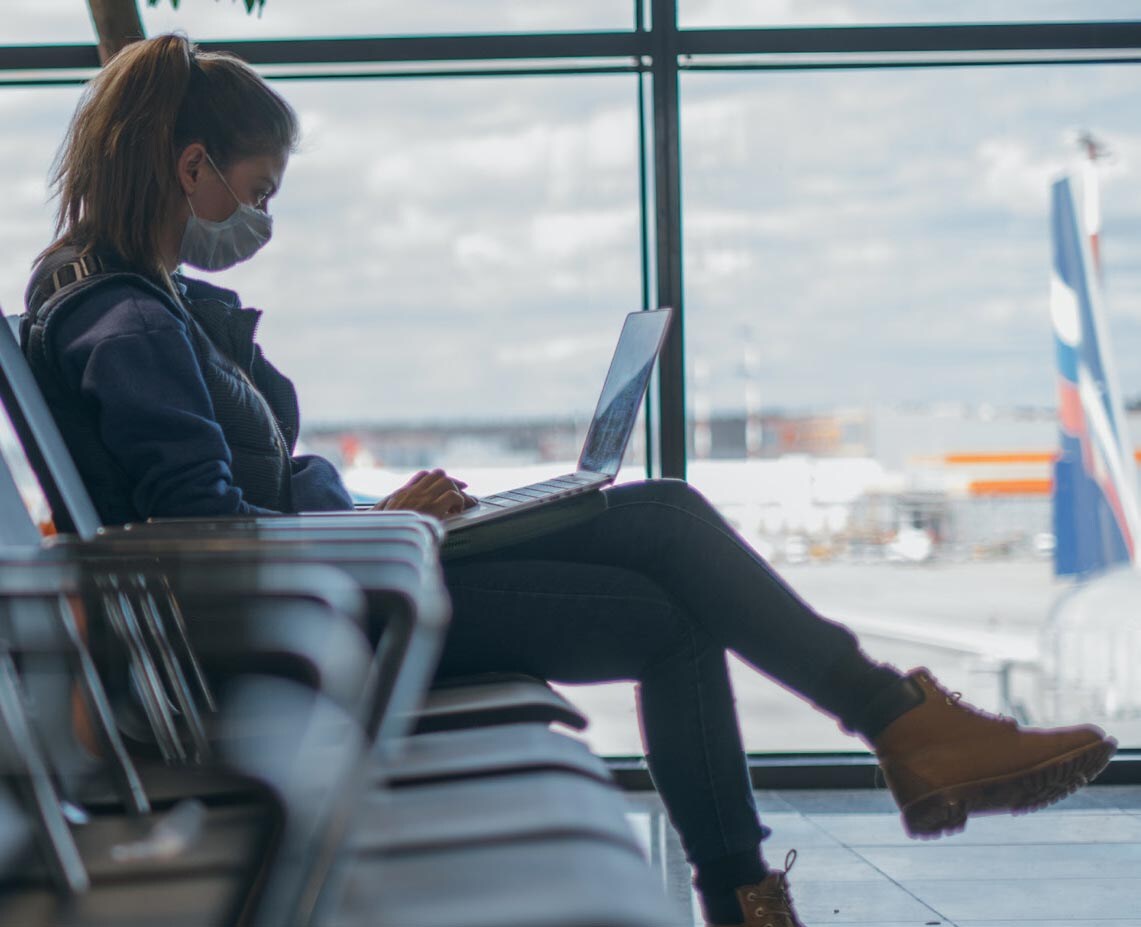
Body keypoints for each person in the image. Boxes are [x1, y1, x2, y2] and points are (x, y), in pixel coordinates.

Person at [21, 34, 1116, 927]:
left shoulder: (136, 300)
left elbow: (219, 504)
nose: (264, 217)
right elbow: (208, 528)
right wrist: (364, 523)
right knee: (669, 572)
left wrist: (360, 511)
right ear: (193, 168)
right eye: (259, 189)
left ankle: (837, 799)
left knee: (660, 532)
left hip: (329, 586)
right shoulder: (125, 321)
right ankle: (883, 747)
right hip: (310, 632)